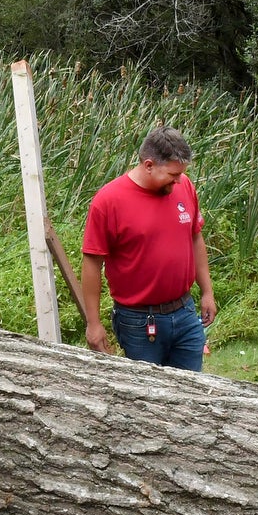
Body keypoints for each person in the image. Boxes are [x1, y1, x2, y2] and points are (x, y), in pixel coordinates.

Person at [80, 125, 216, 370]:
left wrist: (207, 292)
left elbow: (195, 238)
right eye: (173, 174)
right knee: (146, 397)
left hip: (185, 312)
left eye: (181, 174)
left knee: (192, 393)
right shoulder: (109, 201)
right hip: (139, 321)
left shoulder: (184, 185)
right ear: (149, 165)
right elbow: (92, 262)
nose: (178, 181)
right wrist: (93, 323)